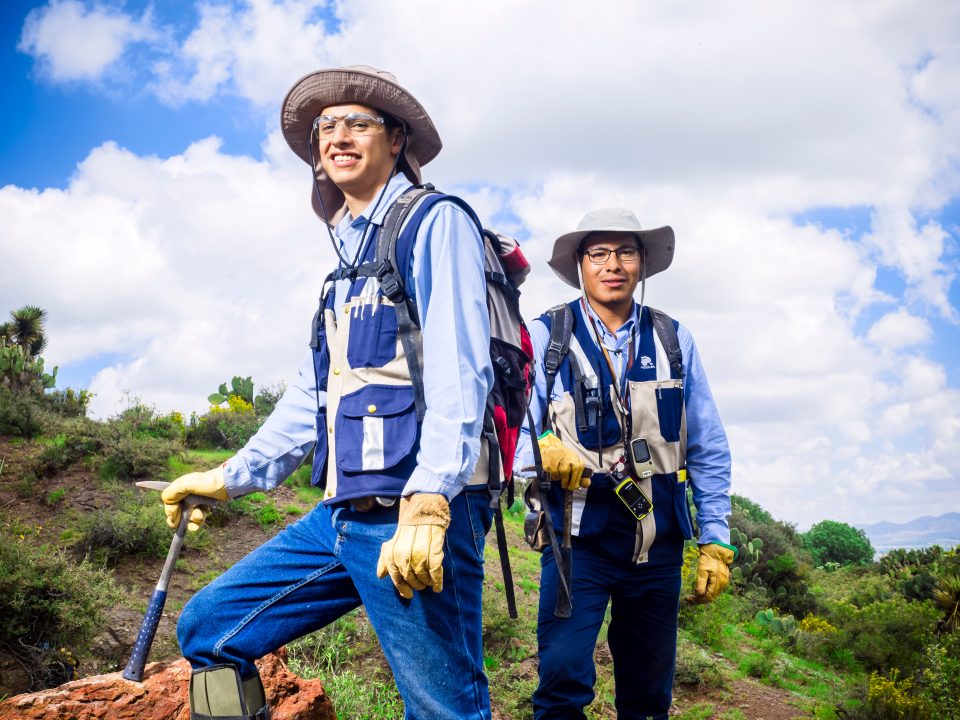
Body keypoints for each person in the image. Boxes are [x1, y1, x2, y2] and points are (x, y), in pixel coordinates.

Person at [159, 66, 494, 720]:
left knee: (442, 710)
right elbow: (314, 398)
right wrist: (229, 476)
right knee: (210, 628)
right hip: (340, 516)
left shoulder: (435, 222)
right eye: (326, 127)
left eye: (357, 123)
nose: (338, 136)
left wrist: (428, 503)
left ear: (396, 141)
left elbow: (462, 367)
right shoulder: (342, 268)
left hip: (412, 517)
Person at [515, 208, 735, 720]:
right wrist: (538, 448)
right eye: (599, 253)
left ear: (641, 263)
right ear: (580, 264)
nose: (612, 264)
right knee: (563, 682)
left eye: (625, 252)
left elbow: (708, 445)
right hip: (576, 542)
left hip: (658, 545)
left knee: (648, 695)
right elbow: (510, 424)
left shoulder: (675, 340)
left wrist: (715, 539)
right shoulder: (547, 335)